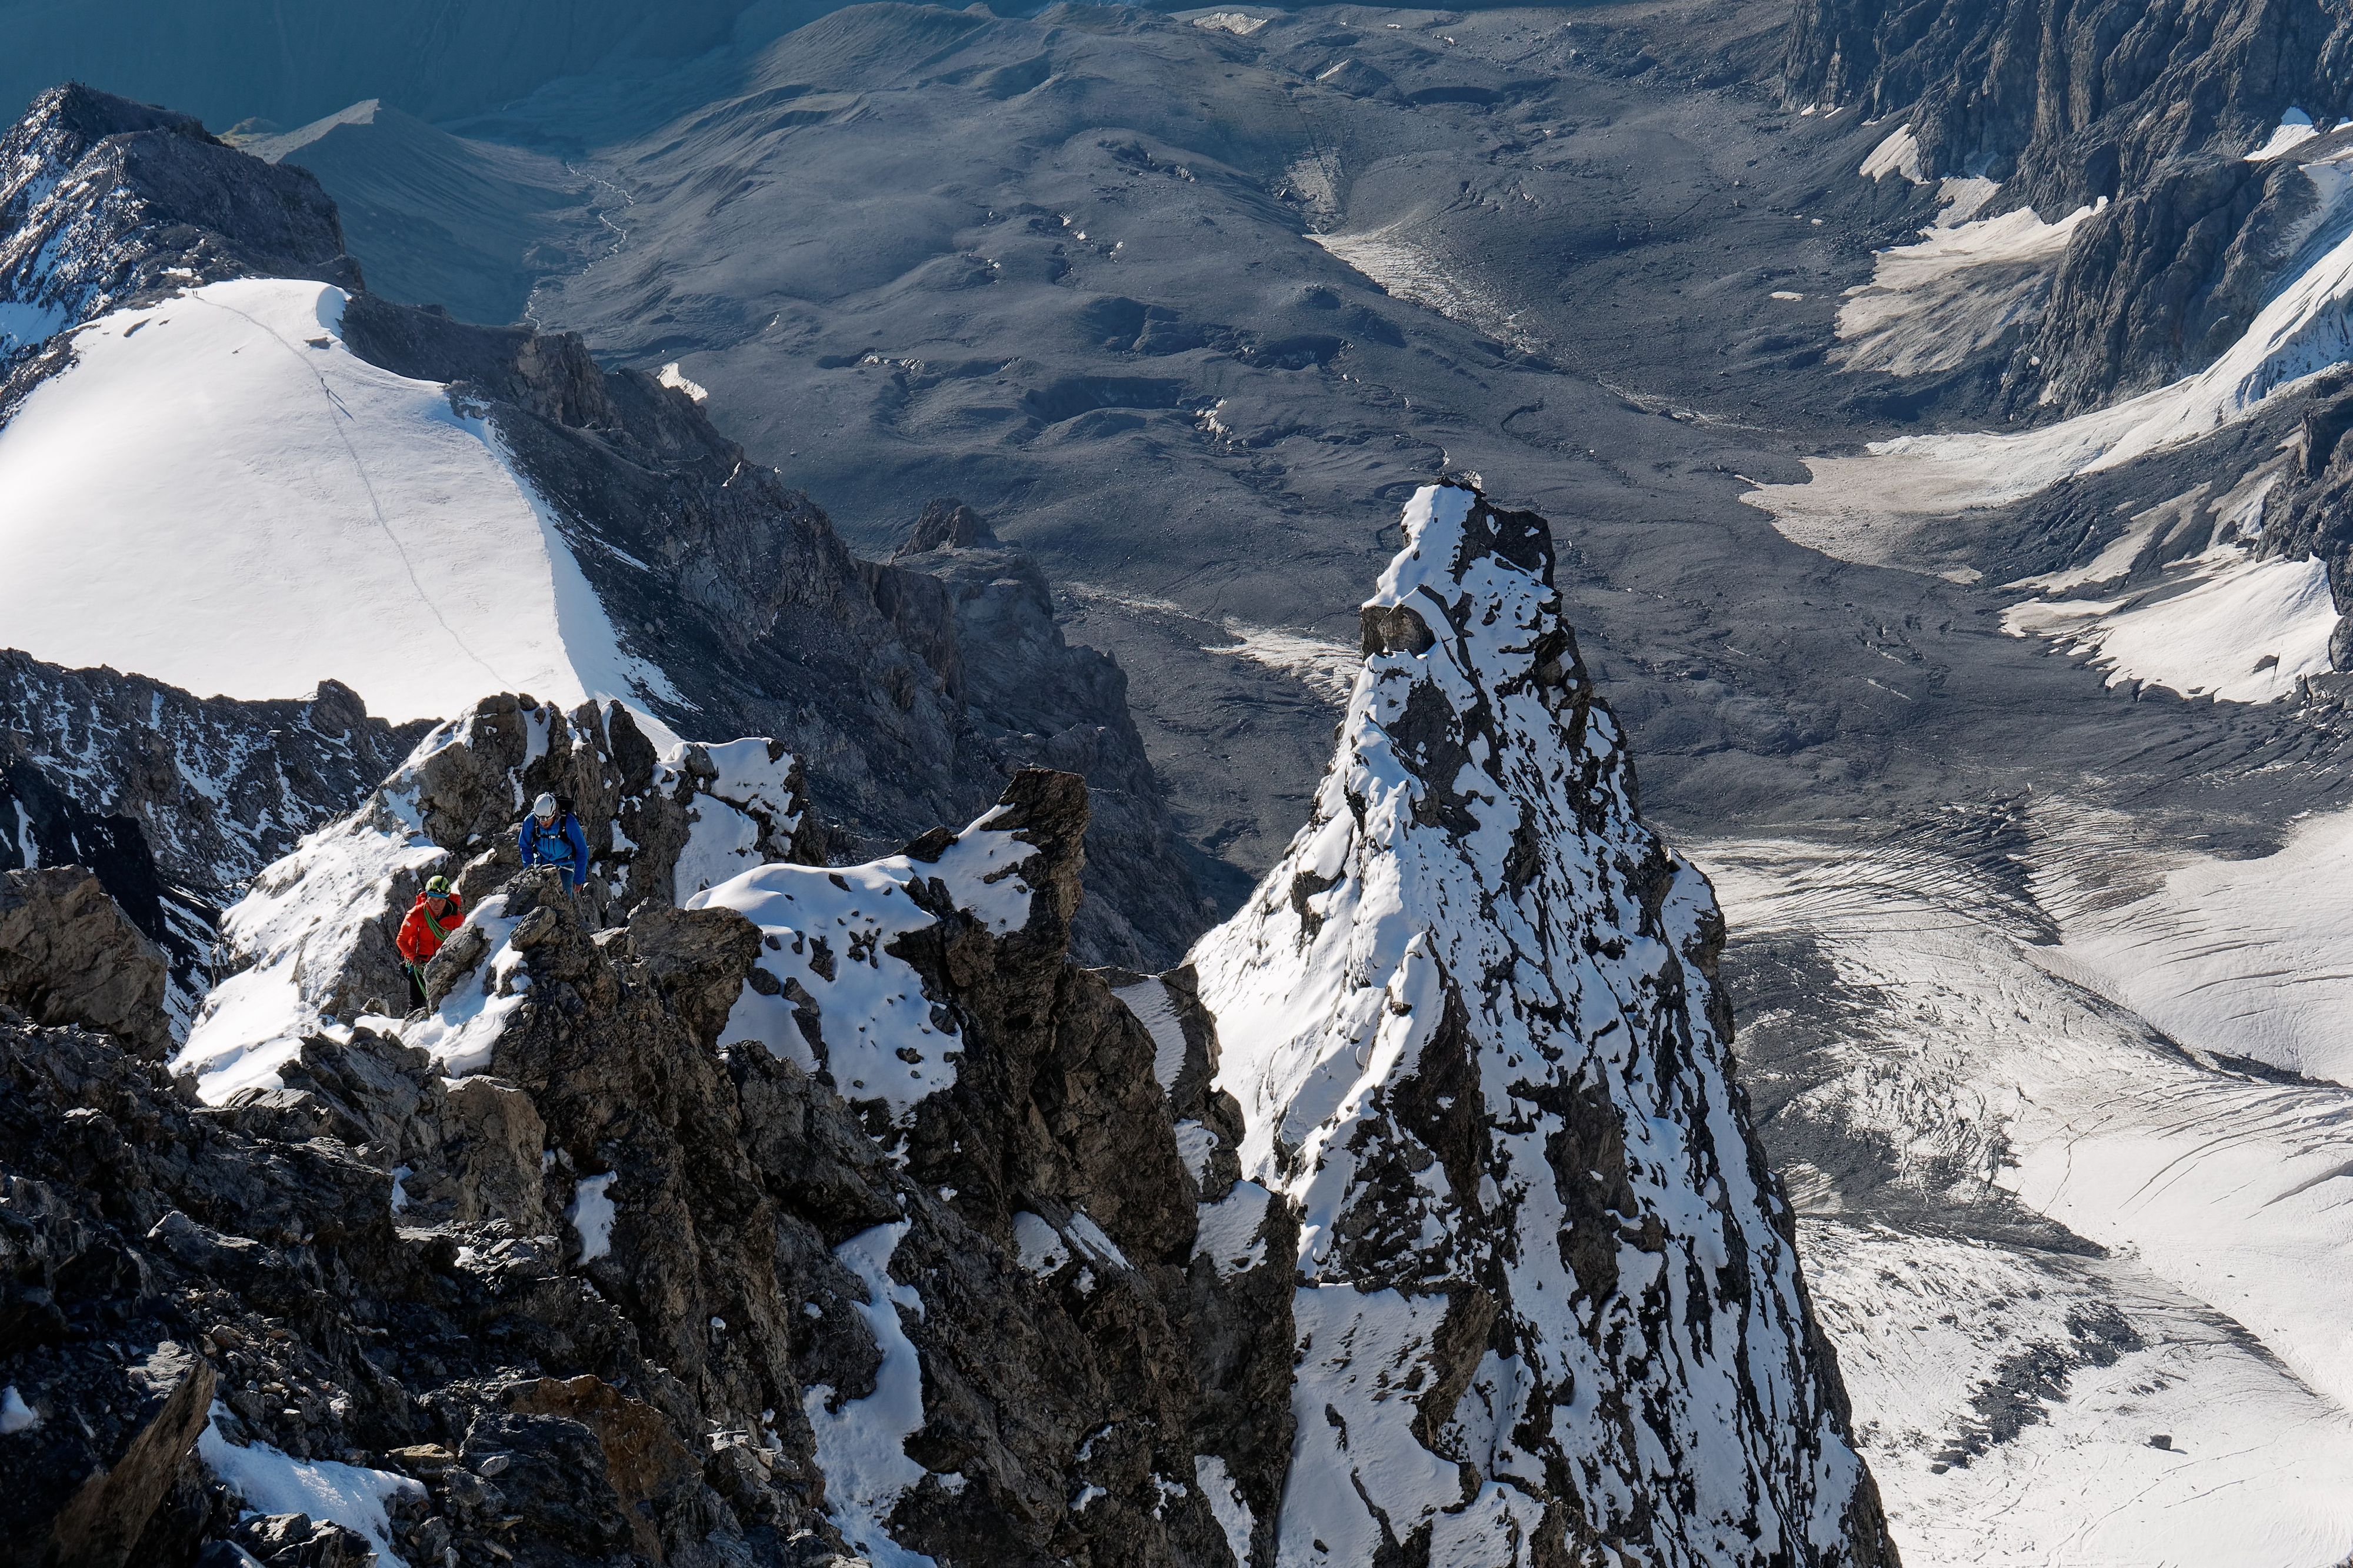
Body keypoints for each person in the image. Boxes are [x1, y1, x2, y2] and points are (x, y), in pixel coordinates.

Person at [395, 875, 464, 1010]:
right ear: (428, 898)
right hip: (419, 965)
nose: (436, 905)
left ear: (447, 898)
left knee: (445, 1004)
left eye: (441, 901)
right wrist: (413, 957)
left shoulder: (456, 917)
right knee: (416, 1004)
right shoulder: (416, 914)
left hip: (443, 963)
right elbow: (401, 939)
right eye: (433, 900)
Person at [519, 791, 589, 893]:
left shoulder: (569, 823)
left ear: (554, 813)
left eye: (547, 820)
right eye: (540, 820)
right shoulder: (531, 821)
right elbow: (524, 846)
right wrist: (529, 869)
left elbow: (582, 851)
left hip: (565, 864)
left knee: (564, 898)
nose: (543, 823)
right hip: (542, 863)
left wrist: (578, 879)